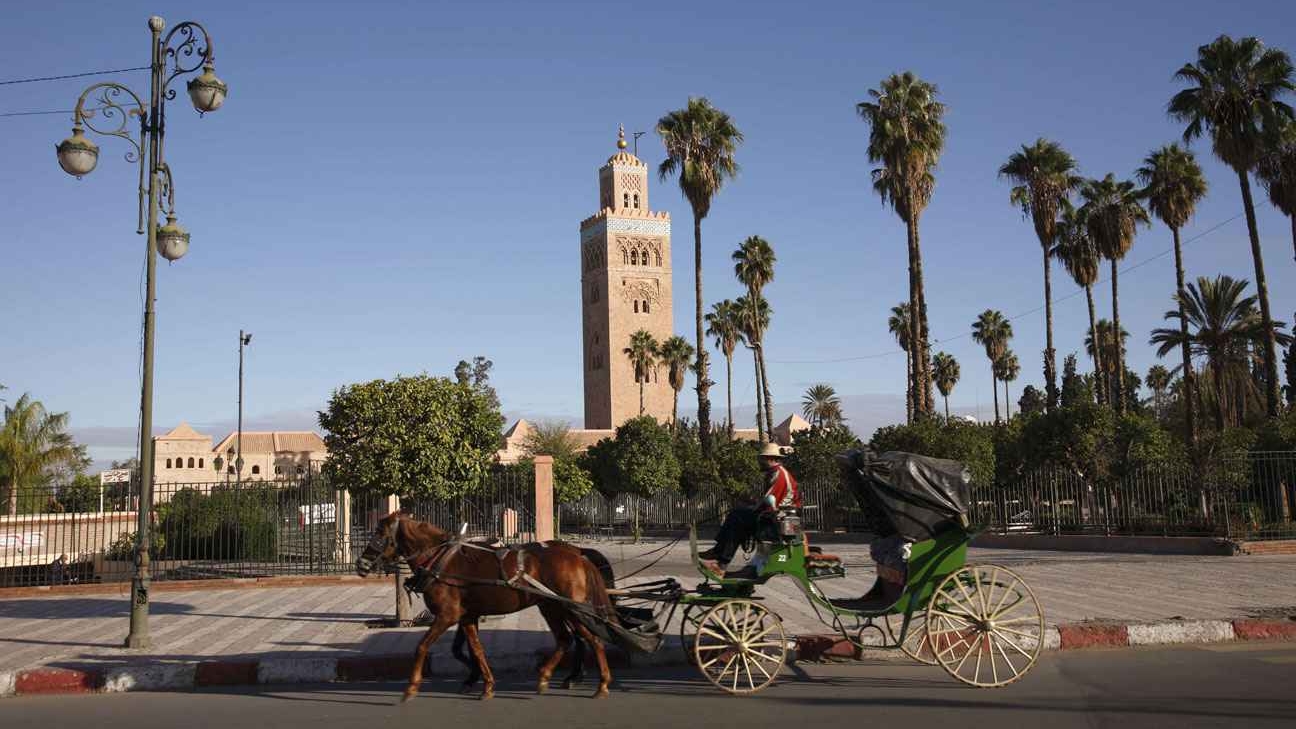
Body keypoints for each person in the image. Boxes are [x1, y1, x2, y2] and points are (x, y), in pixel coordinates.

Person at [698, 442, 800, 578]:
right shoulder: (773, 473)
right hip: (772, 518)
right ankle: (718, 552)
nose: (759, 462)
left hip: (776, 522)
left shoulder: (780, 475)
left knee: (738, 519)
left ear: (769, 458)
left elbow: (769, 501)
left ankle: (721, 562)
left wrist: (752, 508)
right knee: (737, 514)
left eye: (761, 459)